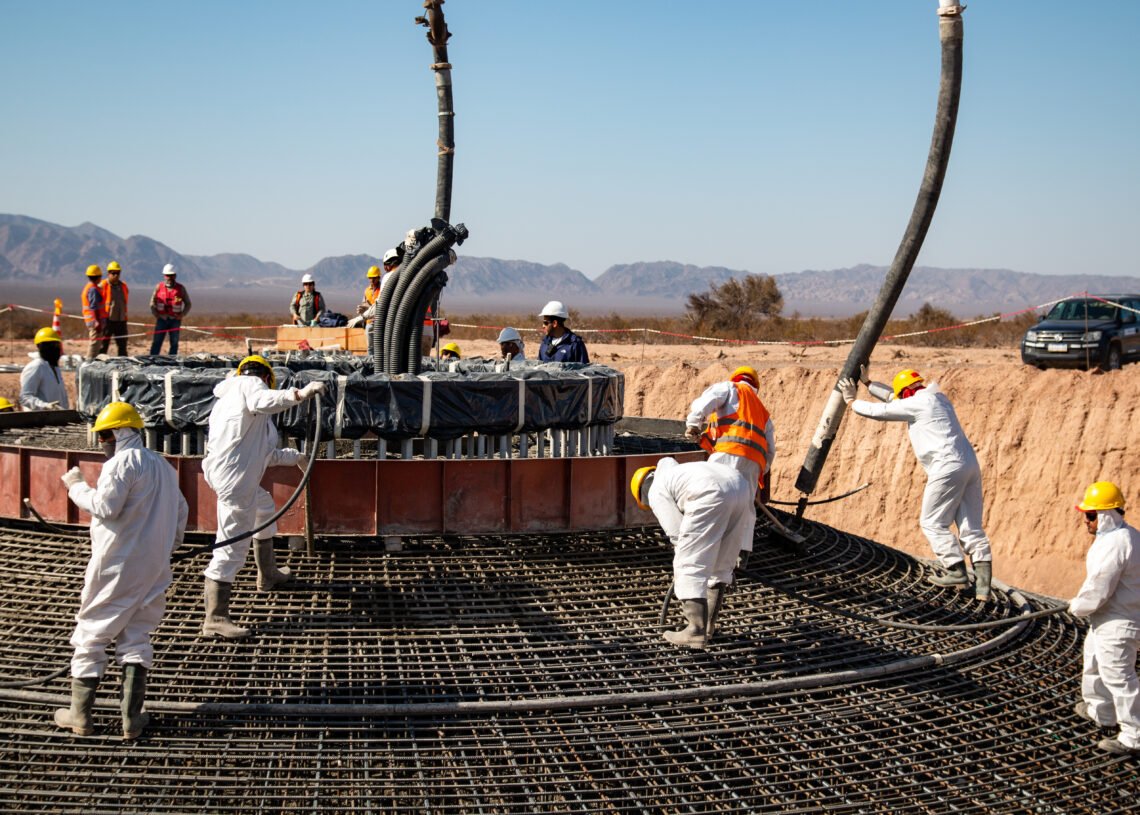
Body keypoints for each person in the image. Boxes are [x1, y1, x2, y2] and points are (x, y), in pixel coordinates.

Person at [56, 402, 187, 740]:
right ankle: (132, 720)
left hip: (117, 565)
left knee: (92, 632)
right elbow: (181, 512)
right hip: (154, 567)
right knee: (137, 635)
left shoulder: (121, 463)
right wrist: (166, 548)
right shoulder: (163, 466)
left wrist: (76, 486)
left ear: (115, 433)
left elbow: (105, 507)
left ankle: (80, 716)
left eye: (103, 436)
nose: (101, 443)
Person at [838, 368, 994, 601]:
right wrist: (869, 383)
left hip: (946, 465)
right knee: (970, 526)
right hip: (969, 465)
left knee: (932, 522)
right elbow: (894, 399)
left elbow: (880, 410)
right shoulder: (937, 398)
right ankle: (983, 588)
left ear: (908, 391)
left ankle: (956, 571)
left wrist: (851, 401)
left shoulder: (917, 403)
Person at [201, 355, 325, 639]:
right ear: (267, 378)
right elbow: (264, 400)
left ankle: (267, 573)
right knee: (231, 545)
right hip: (235, 480)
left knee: (264, 506)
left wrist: (296, 457)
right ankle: (215, 618)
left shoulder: (237, 404)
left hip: (235, 475)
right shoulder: (248, 385)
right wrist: (300, 394)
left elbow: (262, 455)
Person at [632, 456, 755, 649]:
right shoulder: (684, 472)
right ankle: (707, 627)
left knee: (688, 562)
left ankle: (695, 631)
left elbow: (676, 533)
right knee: (721, 564)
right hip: (740, 486)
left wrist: (685, 557)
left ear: (643, 489)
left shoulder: (656, 488)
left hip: (711, 492)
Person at [1069, 480, 1140, 756]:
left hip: (1119, 622)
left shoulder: (1117, 543)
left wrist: (1078, 606)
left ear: (1106, 515)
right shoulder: (1123, 536)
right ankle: (1102, 712)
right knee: (1094, 662)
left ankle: (1134, 736)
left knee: (1119, 677)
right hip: (1106, 618)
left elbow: (1100, 586)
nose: (1086, 521)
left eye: (1090, 515)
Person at [19, 327, 69, 410]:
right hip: (39, 419)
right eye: (50, 345)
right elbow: (25, 397)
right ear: (39, 347)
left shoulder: (55, 368)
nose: (54, 348)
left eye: (56, 344)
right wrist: (45, 406)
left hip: (57, 418)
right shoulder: (36, 367)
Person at [149, 264, 192, 355]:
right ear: (164, 276)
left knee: (174, 343)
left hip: (175, 320)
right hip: (161, 319)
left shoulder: (180, 288)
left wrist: (182, 314)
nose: (169, 277)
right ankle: (152, 359)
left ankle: (172, 361)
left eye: (171, 275)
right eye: (167, 275)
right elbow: (152, 302)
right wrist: (156, 313)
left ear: (175, 276)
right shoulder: (159, 287)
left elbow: (188, 304)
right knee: (157, 342)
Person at [100, 261, 130, 356]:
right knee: (103, 345)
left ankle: (123, 365)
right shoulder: (103, 285)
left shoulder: (123, 286)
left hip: (121, 320)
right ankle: (99, 364)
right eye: (113, 273)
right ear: (108, 273)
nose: (116, 275)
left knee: (122, 345)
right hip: (107, 320)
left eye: (118, 273)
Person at [81, 264, 109, 359]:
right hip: (95, 322)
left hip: (93, 321)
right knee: (94, 345)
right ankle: (88, 364)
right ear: (98, 276)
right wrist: (97, 321)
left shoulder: (90, 287)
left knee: (96, 345)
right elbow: (94, 307)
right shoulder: (93, 289)